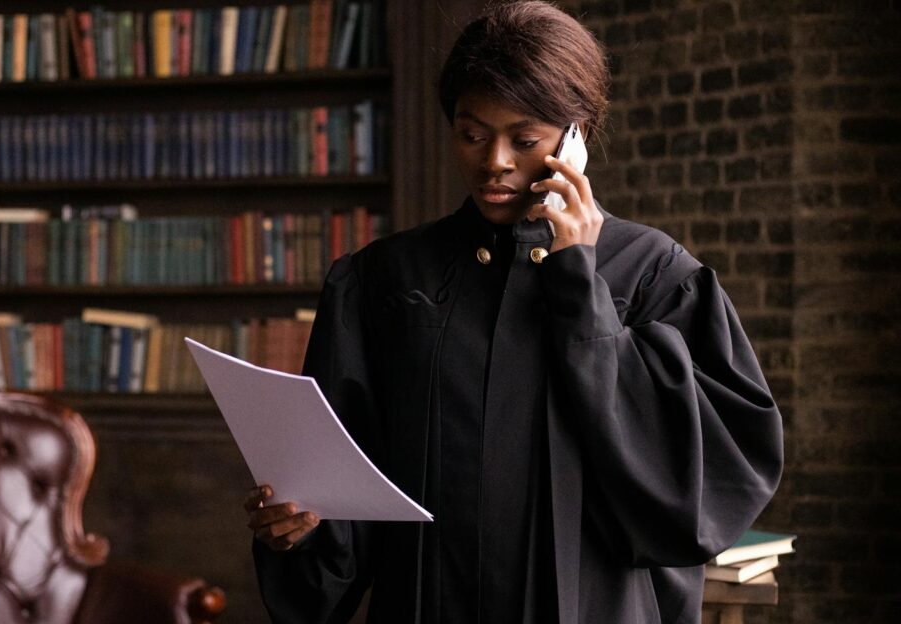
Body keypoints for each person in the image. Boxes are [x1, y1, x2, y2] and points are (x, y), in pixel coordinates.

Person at [242, 2, 784, 622]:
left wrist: (578, 281)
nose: (494, 161)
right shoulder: (384, 280)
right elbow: (345, 489)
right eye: (472, 134)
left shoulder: (655, 276)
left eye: (524, 140)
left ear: (577, 136)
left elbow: (704, 491)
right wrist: (300, 528)